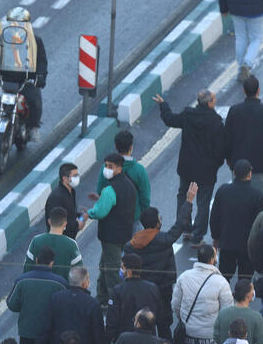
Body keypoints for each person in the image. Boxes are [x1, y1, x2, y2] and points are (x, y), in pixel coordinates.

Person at [153, 89, 224, 242]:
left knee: (184, 196)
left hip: (187, 168)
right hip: (206, 171)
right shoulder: (216, 122)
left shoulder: (188, 115)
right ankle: (198, 235)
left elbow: (170, 120)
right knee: (203, 202)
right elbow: (220, 149)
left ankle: (184, 228)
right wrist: (216, 164)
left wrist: (163, 105)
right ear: (210, 103)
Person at [124, 184, 197, 328]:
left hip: (142, 287)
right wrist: (188, 201)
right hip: (164, 287)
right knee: (164, 321)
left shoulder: (131, 245)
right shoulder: (164, 239)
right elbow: (180, 224)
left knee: (145, 319)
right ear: (158, 223)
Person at [173, 244, 233, 344]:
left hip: (188, 337)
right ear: (213, 260)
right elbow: (227, 312)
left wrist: (184, 319)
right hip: (210, 339)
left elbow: (175, 304)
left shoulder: (184, 277)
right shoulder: (221, 282)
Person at [0, 7, 47, 135]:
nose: (16, 26)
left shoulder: (35, 41)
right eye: (12, 23)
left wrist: (40, 76)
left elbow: (41, 61)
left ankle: (33, 128)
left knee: (34, 101)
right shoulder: (0, 40)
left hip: (25, 80)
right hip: (4, 79)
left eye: (21, 23)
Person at [83, 153, 137, 305]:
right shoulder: (129, 185)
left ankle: (116, 303)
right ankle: (102, 298)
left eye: (110, 167)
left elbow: (100, 212)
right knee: (104, 266)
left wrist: (89, 213)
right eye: (105, 166)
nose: (106, 170)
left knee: (111, 271)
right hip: (125, 233)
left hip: (111, 237)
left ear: (119, 168)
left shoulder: (109, 190)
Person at [8, 247, 68, 344]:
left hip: (26, 332)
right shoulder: (60, 283)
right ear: (52, 263)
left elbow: (12, 304)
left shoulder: (22, 281)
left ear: (36, 260)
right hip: (48, 333)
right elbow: (64, 308)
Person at [210, 159, 263, 280]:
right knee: (245, 279)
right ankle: (241, 298)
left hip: (227, 242)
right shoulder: (257, 196)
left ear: (234, 173)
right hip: (247, 245)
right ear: (250, 174)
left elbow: (215, 217)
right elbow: (261, 223)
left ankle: (222, 298)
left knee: (224, 277)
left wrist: (216, 238)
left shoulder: (223, 191)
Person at [224, 75, 263, 194]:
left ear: (244, 91)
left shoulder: (234, 111)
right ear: (258, 90)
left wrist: (229, 159)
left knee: (239, 196)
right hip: (262, 166)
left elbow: (227, 139)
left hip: (239, 165)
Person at [49, 266, 105, 344]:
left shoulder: (56, 298)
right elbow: (98, 334)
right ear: (85, 283)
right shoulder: (93, 304)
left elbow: (48, 326)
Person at [95, 130, 151, 227]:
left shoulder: (106, 168)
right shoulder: (139, 170)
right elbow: (145, 198)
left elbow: (100, 191)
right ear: (131, 147)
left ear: (116, 147)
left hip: (112, 219)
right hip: (133, 218)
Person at [105, 253, 164, 342]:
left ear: (129, 271)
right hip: (148, 339)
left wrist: (107, 342)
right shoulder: (152, 288)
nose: (121, 270)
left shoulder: (118, 290)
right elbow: (160, 316)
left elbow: (111, 321)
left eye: (122, 268)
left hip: (124, 340)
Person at [24, 207, 82, 281]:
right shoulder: (71, 244)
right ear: (65, 224)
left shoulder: (36, 241)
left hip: (38, 289)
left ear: (49, 221)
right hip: (63, 290)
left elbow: (27, 269)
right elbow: (79, 273)